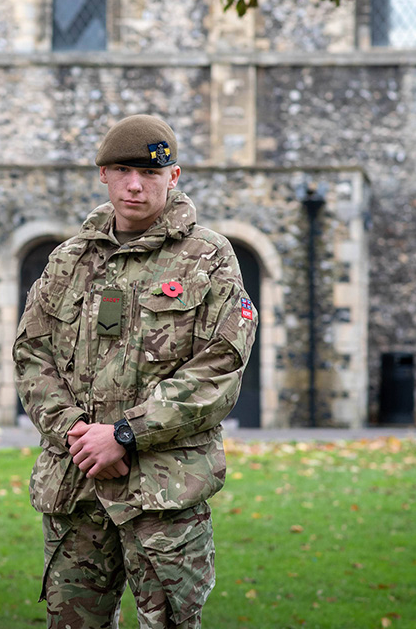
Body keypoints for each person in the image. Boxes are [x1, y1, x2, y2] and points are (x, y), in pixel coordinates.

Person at [14, 114, 258, 629]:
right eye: (122, 170)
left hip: (162, 494)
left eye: (150, 172)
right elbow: (32, 354)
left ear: (174, 177)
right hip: (76, 485)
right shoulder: (68, 260)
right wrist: (78, 435)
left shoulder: (209, 259)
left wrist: (124, 435)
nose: (134, 184)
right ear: (102, 174)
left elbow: (219, 369)